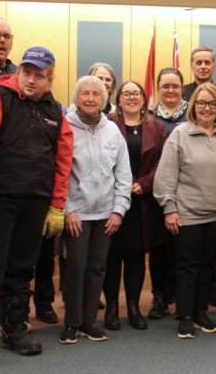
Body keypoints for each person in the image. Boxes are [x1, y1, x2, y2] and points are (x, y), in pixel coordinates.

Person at [0, 46, 73, 358]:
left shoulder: (56, 111)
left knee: (22, 268)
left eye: (39, 75)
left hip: (35, 201)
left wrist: (57, 205)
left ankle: (15, 327)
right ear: (17, 72)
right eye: (27, 72)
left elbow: (63, 161)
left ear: (49, 79)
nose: (31, 80)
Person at [154, 83, 216, 338]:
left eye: (212, 104)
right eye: (200, 103)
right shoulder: (180, 134)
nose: (206, 108)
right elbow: (165, 174)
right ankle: (186, 316)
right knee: (187, 266)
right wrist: (169, 209)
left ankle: (201, 312)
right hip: (186, 214)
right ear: (193, 106)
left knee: (207, 266)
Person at [60, 75, 131, 345]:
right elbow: (59, 173)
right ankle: (72, 323)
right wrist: (68, 210)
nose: (90, 99)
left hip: (106, 214)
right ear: (77, 97)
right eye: (85, 94)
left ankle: (89, 321)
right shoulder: (65, 128)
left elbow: (123, 174)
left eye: (96, 95)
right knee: (76, 266)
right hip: (76, 213)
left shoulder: (113, 130)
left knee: (97, 268)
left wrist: (118, 211)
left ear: (104, 99)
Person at [102, 80, 167, 331]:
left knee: (136, 256)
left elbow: (163, 161)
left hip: (142, 202)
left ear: (143, 98)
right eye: (126, 93)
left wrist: (144, 183)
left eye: (136, 93)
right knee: (111, 256)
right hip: (112, 200)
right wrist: (121, 183)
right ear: (118, 99)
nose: (131, 97)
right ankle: (110, 309)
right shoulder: (106, 124)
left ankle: (132, 307)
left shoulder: (157, 126)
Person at [147, 67, 186, 319]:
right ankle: (160, 296)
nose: (170, 90)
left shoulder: (194, 113)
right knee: (160, 247)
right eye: (165, 86)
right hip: (157, 193)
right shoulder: (148, 117)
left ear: (182, 88)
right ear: (159, 89)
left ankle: (182, 296)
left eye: (175, 86)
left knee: (183, 248)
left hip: (189, 192)